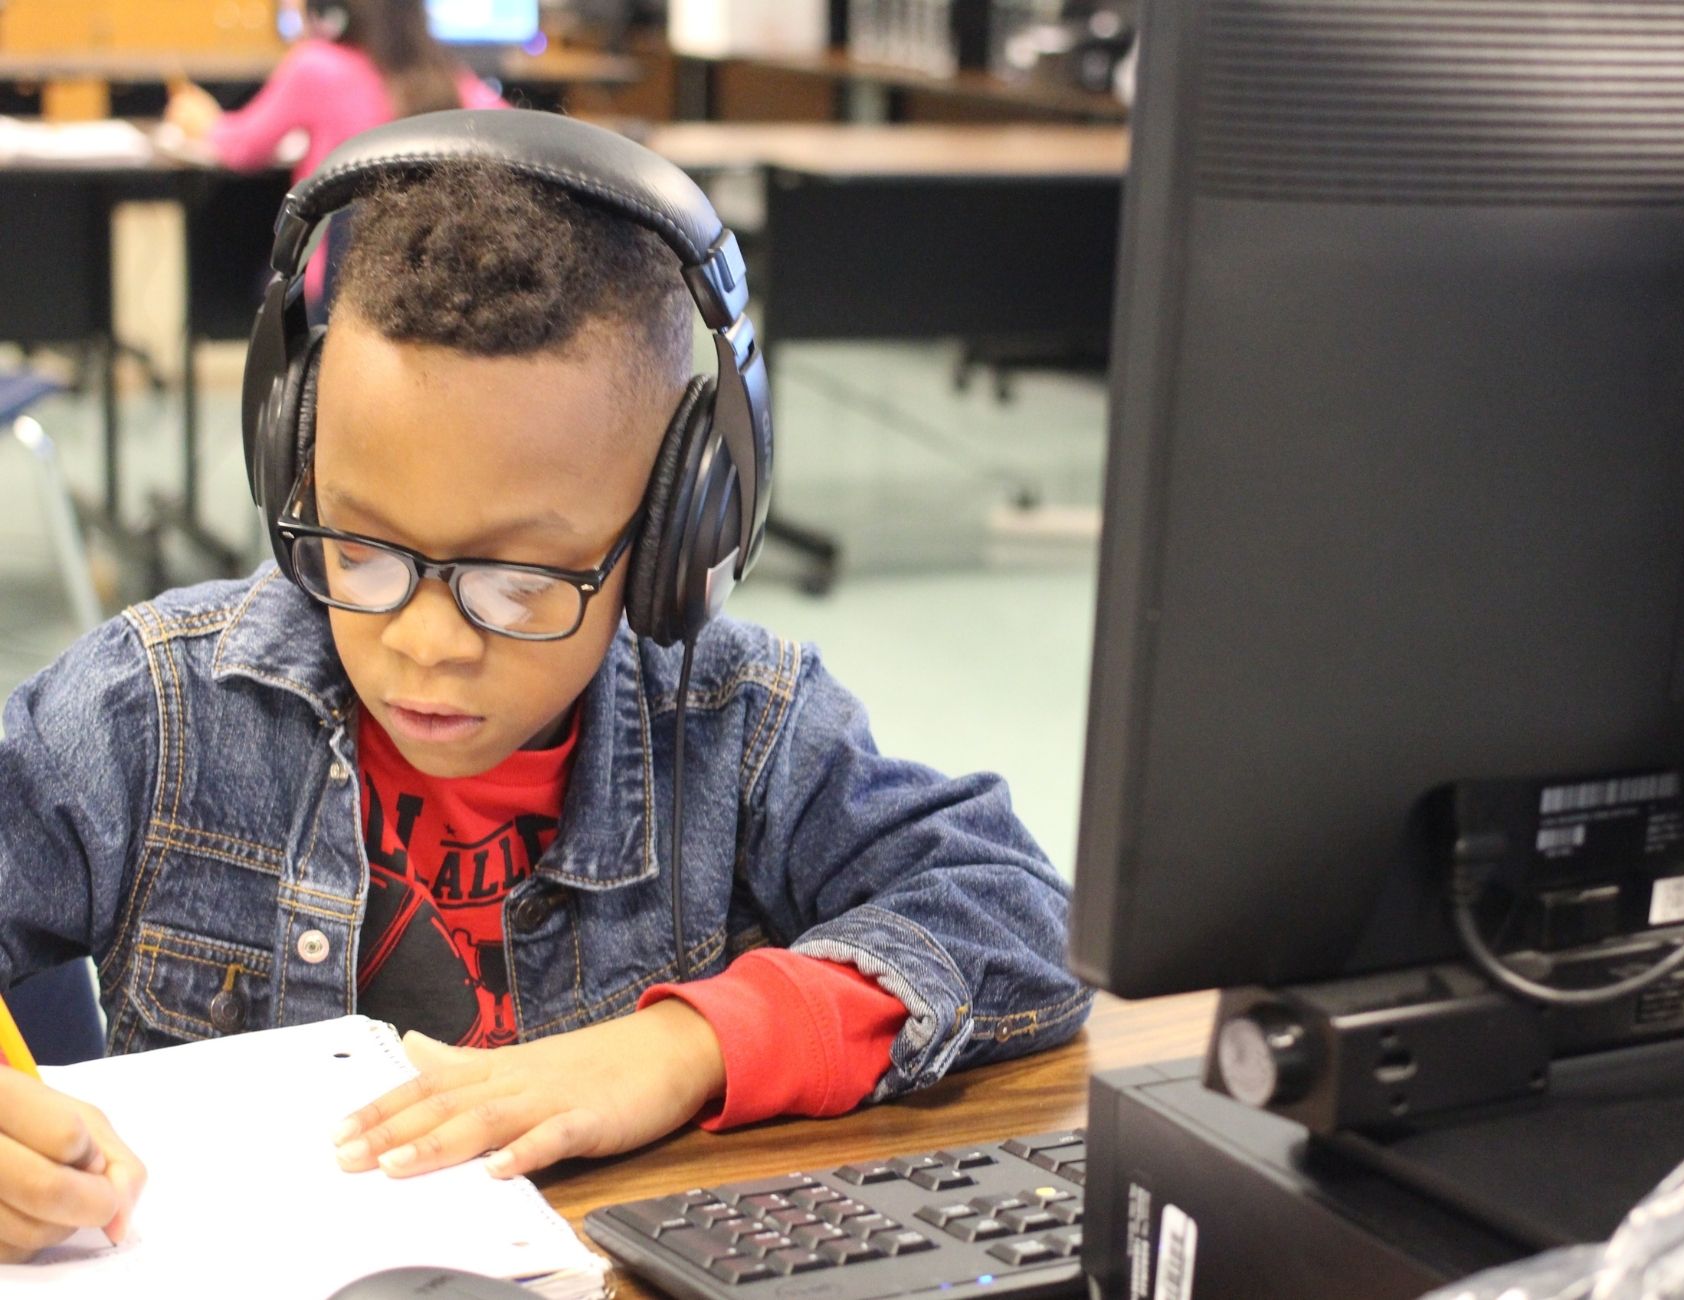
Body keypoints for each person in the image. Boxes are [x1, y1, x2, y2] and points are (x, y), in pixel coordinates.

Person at [0, 111, 1088, 1263]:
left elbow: (1012, 910)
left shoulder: (734, 724)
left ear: (676, 541)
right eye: (361, 549)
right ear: (293, 461)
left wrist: (676, 1051)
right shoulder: (155, 710)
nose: (424, 642)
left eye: (516, 583)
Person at [165, 0, 505, 296]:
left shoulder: (316, 65)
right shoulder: (441, 74)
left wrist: (203, 120)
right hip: (428, 281)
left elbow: (243, 148)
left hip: (338, 289)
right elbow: (515, 134)